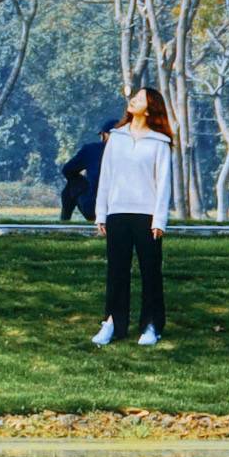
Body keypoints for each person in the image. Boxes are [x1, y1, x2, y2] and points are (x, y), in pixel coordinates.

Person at [89, 84, 177, 347]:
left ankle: (151, 325)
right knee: (117, 272)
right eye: (133, 97)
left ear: (150, 110)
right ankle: (113, 323)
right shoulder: (116, 137)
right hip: (117, 213)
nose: (133, 100)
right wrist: (101, 214)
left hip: (147, 217)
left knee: (151, 272)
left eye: (139, 99)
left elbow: (163, 184)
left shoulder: (160, 143)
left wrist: (159, 220)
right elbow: (106, 177)